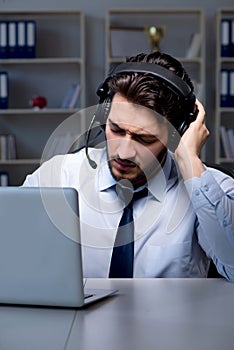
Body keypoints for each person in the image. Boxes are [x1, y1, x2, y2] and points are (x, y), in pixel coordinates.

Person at [22, 51, 234, 281]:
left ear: (177, 134)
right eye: (116, 129)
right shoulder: (59, 176)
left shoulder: (211, 188)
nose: (124, 153)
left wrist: (190, 162)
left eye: (145, 139)